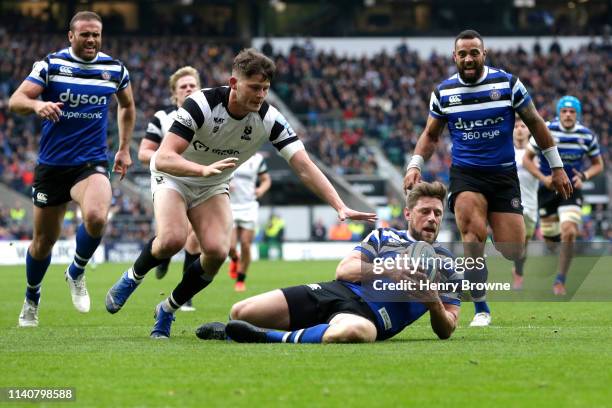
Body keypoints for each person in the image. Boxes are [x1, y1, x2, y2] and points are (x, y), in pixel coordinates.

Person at [104, 48, 377, 338]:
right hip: (174, 177)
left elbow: (305, 166)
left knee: (217, 252)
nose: (260, 95)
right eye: (254, 88)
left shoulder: (270, 118)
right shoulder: (202, 103)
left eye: (265, 89)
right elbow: (164, 157)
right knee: (172, 239)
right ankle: (132, 277)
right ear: (234, 84)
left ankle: (167, 310)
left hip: (212, 185)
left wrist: (339, 205)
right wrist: (201, 170)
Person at [403, 29, 572, 327]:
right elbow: (431, 134)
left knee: (513, 249)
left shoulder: (508, 84)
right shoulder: (444, 92)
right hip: (467, 174)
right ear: (454, 57)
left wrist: (556, 167)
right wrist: (415, 164)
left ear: (484, 54)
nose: (468, 59)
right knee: (471, 236)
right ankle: (481, 307)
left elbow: (534, 122)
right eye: (463, 54)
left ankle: (495, 228)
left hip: (503, 174)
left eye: (474, 53)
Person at [196, 182, 461, 344]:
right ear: (407, 214)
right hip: (336, 292)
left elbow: (447, 329)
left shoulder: (447, 264)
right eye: (424, 211)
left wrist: (433, 303)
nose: (432, 218)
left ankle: (267, 337)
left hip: (368, 318)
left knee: (354, 332)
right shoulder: (383, 235)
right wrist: (388, 269)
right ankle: (234, 331)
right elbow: (343, 271)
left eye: (437, 213)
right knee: (241, 311)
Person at [9, 11, 135, 327]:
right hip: (52, 166)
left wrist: (123, 147)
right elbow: (16, 100)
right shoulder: (50, 65)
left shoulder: (114, 69)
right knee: (43, 243)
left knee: (96, 216)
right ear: (71, 36)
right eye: (85, 35)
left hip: (90, 163)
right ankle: (32, 297)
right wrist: (38, 105)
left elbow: (128, 105)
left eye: (96, 34)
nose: (91, 40)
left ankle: (76, 271)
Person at [523, 96, 603, 295]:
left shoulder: (586, 136)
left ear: (577, 114)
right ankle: (555, 252)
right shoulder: (546, 129)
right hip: (548, 190)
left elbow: (598, 164)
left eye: (572, 112)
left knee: (569, 231)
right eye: (564, 111)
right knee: (550, 240)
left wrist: (584, 175)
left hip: (571, 189)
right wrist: (543, 179)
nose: (568, 115)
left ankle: (560, 280)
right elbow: (527, 159)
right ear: (559, 113)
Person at [139, 66, 202, 311]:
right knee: (172, 237)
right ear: (174, 95)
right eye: (183, 87)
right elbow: (143, 152)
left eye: (192, 86)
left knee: (194, 240)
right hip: (170, 183)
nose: (188, 89)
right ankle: (163, 257)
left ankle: (186, 296)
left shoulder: (211, 115)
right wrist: (167, 158)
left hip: (201, 184)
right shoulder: (163, 118)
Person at [228, 152, 272, 292]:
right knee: (230, 247)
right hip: (230, 205)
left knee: (246, 245)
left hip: (249, 206)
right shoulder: (228, 153)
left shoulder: (258, 159)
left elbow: (266, 180)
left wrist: (261, 190)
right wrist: (226, 185)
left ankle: (240, 280)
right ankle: (235, 259)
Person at [511, 116, 539, 290]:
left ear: (529, 130)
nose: (520, 129)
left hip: (531, 206)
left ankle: (518, 271)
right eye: (516, 126)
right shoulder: (506, 152)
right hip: (511, 204)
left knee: (523, 246)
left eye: (523, 125)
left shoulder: (536, 154)